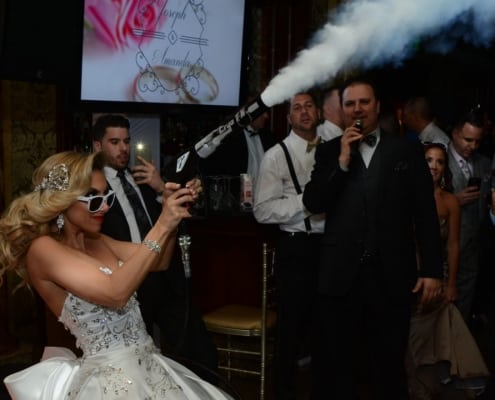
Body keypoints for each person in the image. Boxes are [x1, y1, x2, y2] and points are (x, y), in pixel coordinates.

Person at [0, 151, 234, 399]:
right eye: (91, 198)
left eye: (106, 195)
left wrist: (171, 212)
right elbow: (115, 293)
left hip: (151, 366)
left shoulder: (99, 241)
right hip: (110, 384)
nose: (104, 206)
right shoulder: (43, 250)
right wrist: (162, 224)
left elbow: (160, 260)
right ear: (62, 200)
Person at [303, 76, 443, 400]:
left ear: (376, 107)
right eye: (350, 104)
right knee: (339, 367)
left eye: (364, 102)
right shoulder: (327, 152)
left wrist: (433, 270)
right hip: (341, 278)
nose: (357, 109)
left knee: (389, 365)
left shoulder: (406, 150)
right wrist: (342, 161)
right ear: (343, 110)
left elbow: (424, 214)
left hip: (391, 277)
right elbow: (313, 203)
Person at [91, 114, 218, 379]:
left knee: (200, 351)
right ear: (97, 146)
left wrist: (161, 187)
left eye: (127, 141)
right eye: (114, 142)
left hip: (162, 276)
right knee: (138, 363)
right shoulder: (93, 187)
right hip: (127, 281)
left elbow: (171, 217)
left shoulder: (142, 178)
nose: (124, 148)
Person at [253, 92, 325, 400]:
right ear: (289, 118)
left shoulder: (334, 147)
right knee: (291, 329)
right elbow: (262, 210)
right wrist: (305, 203)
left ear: (319, 111)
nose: (304, 111)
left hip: (332, 247)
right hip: (297, 248)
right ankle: (284, 393)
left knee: (328, 327)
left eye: (309, 105)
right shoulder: (275, 156)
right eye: (297, 108)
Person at [406, 143, 489, 399]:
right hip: (405, 278)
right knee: (407, 338)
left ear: (444, 169)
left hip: (435, 283)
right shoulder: (403, 195)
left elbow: (453, 246)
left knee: (429, 340)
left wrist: (451, 284)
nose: (433, 166)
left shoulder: (450, 202)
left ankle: (422, 388)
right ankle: (410, 387)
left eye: (440, 162)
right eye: (429, 160)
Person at [447, 108, 492, 323]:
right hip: (445, 243)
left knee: (465, 295)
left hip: (473, 244)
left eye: (477, 141)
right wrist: (454, 200)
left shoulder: (484, 163)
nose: (472, 146)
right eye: (467, 140)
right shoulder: (437, 160)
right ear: (455, 133)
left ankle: (460, 340)